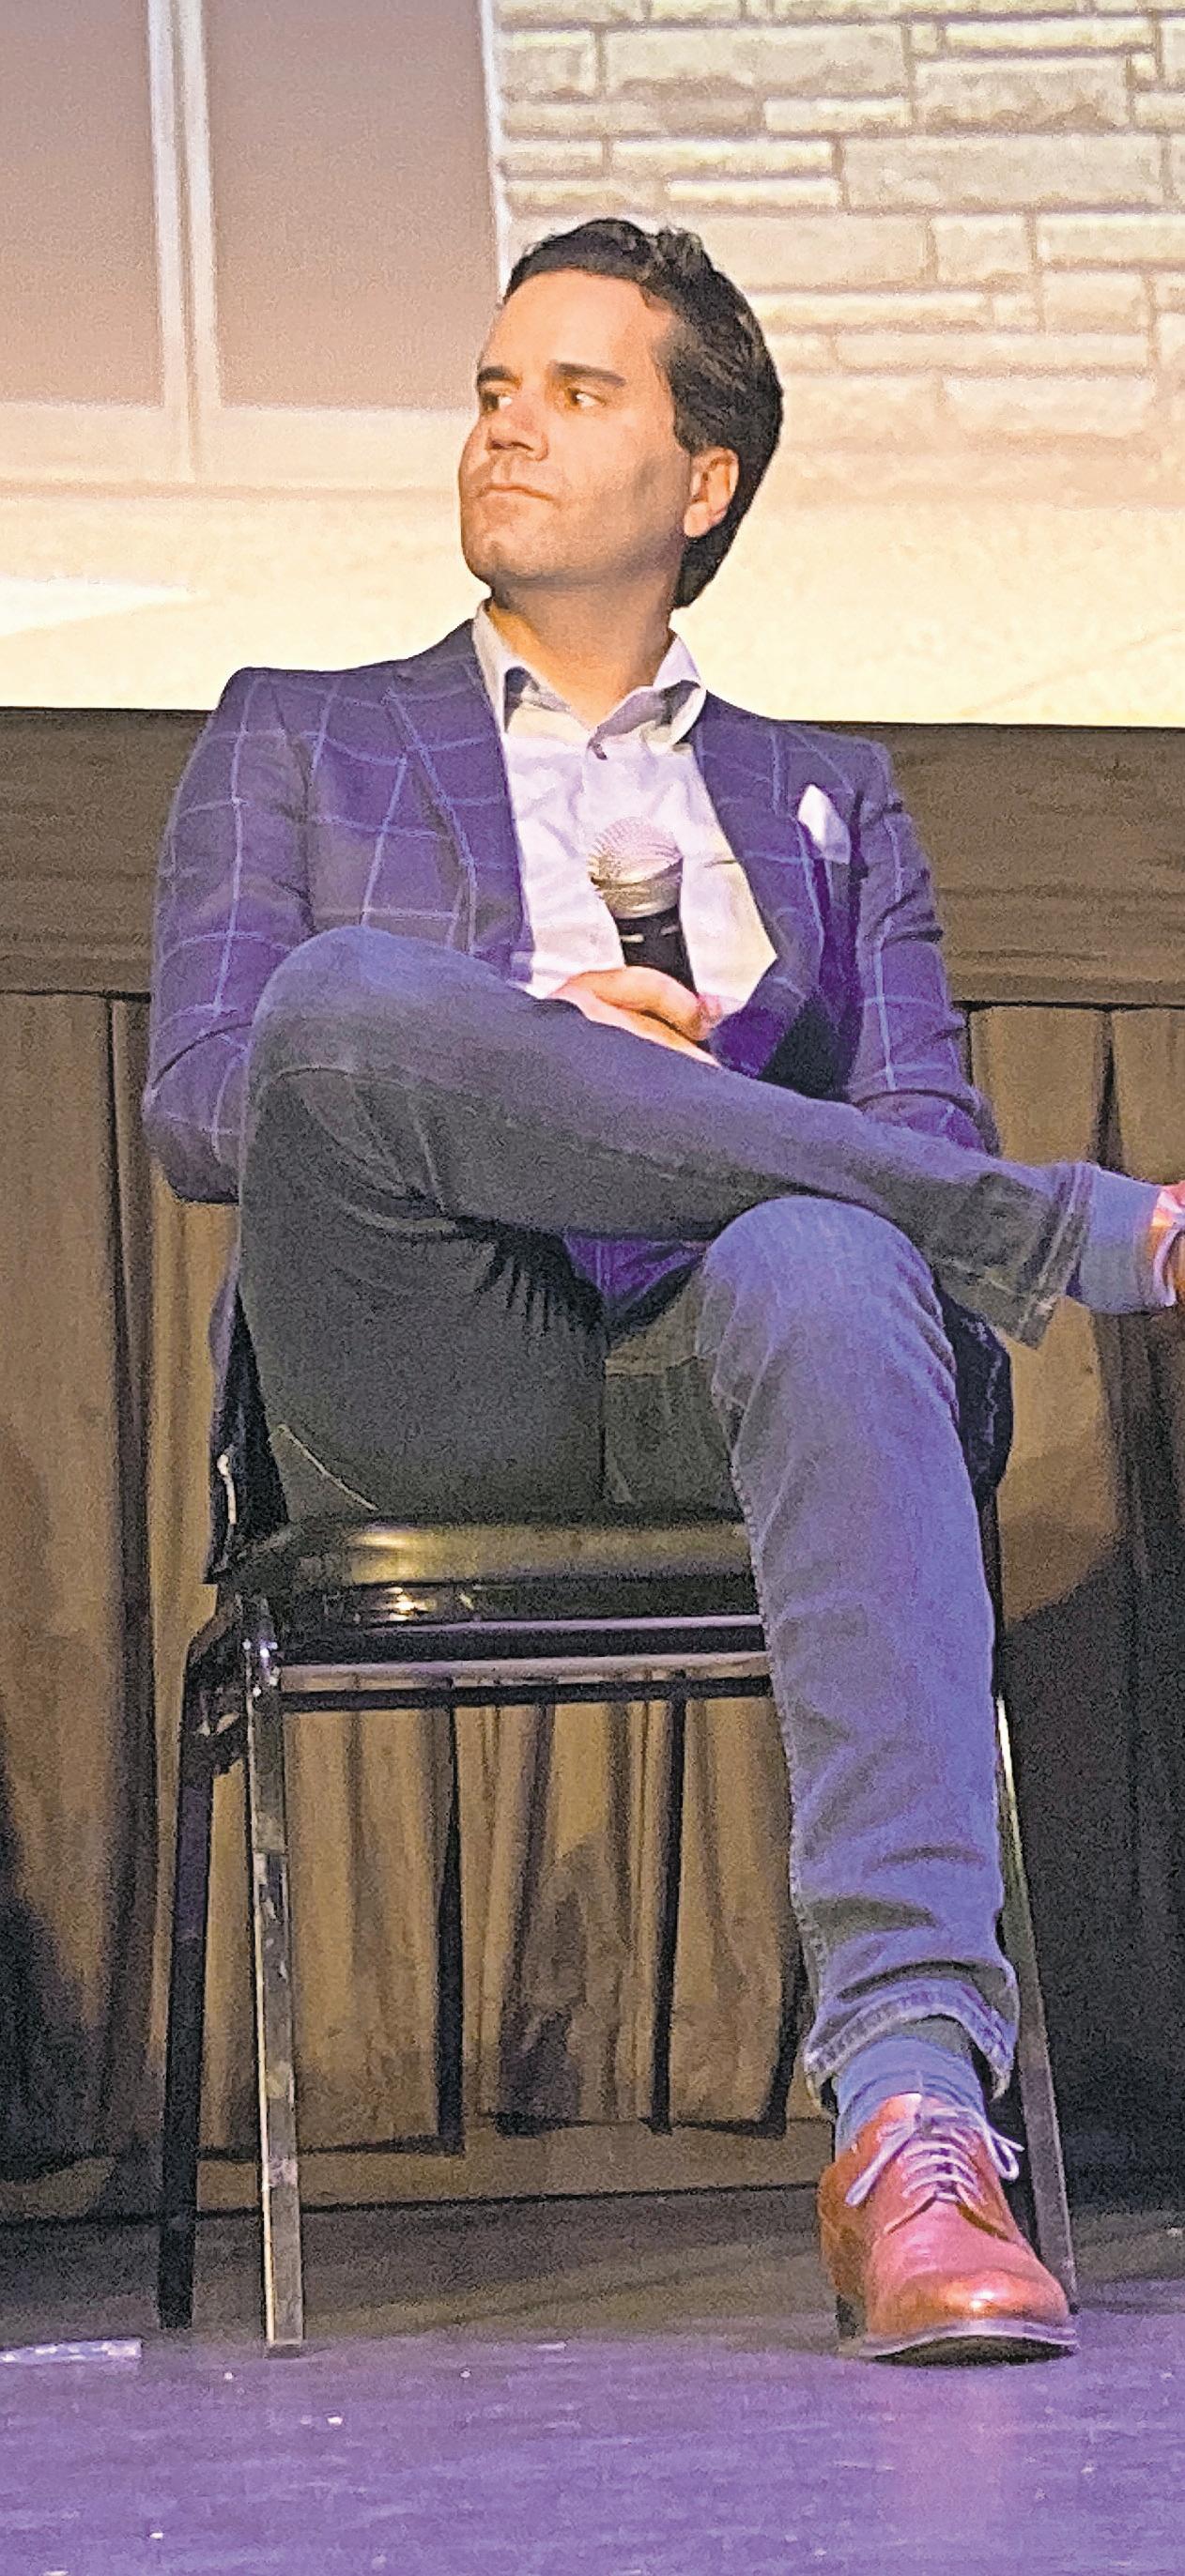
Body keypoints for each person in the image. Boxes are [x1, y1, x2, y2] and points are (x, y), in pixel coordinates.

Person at [145, 218, 1185, 2365]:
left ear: (701, 478)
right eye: (489, 388)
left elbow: (905, 1115)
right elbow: (207, 1101)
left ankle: (911, 2120)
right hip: (424, 1358)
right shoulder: (296, 735)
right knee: (344, 1004)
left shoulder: (832, 796)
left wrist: (699, 1119)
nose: (503, 426)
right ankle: (1062, 1229)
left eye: (574, 389)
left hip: (749, 1360)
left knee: (827, 1239)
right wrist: (528, 1040)